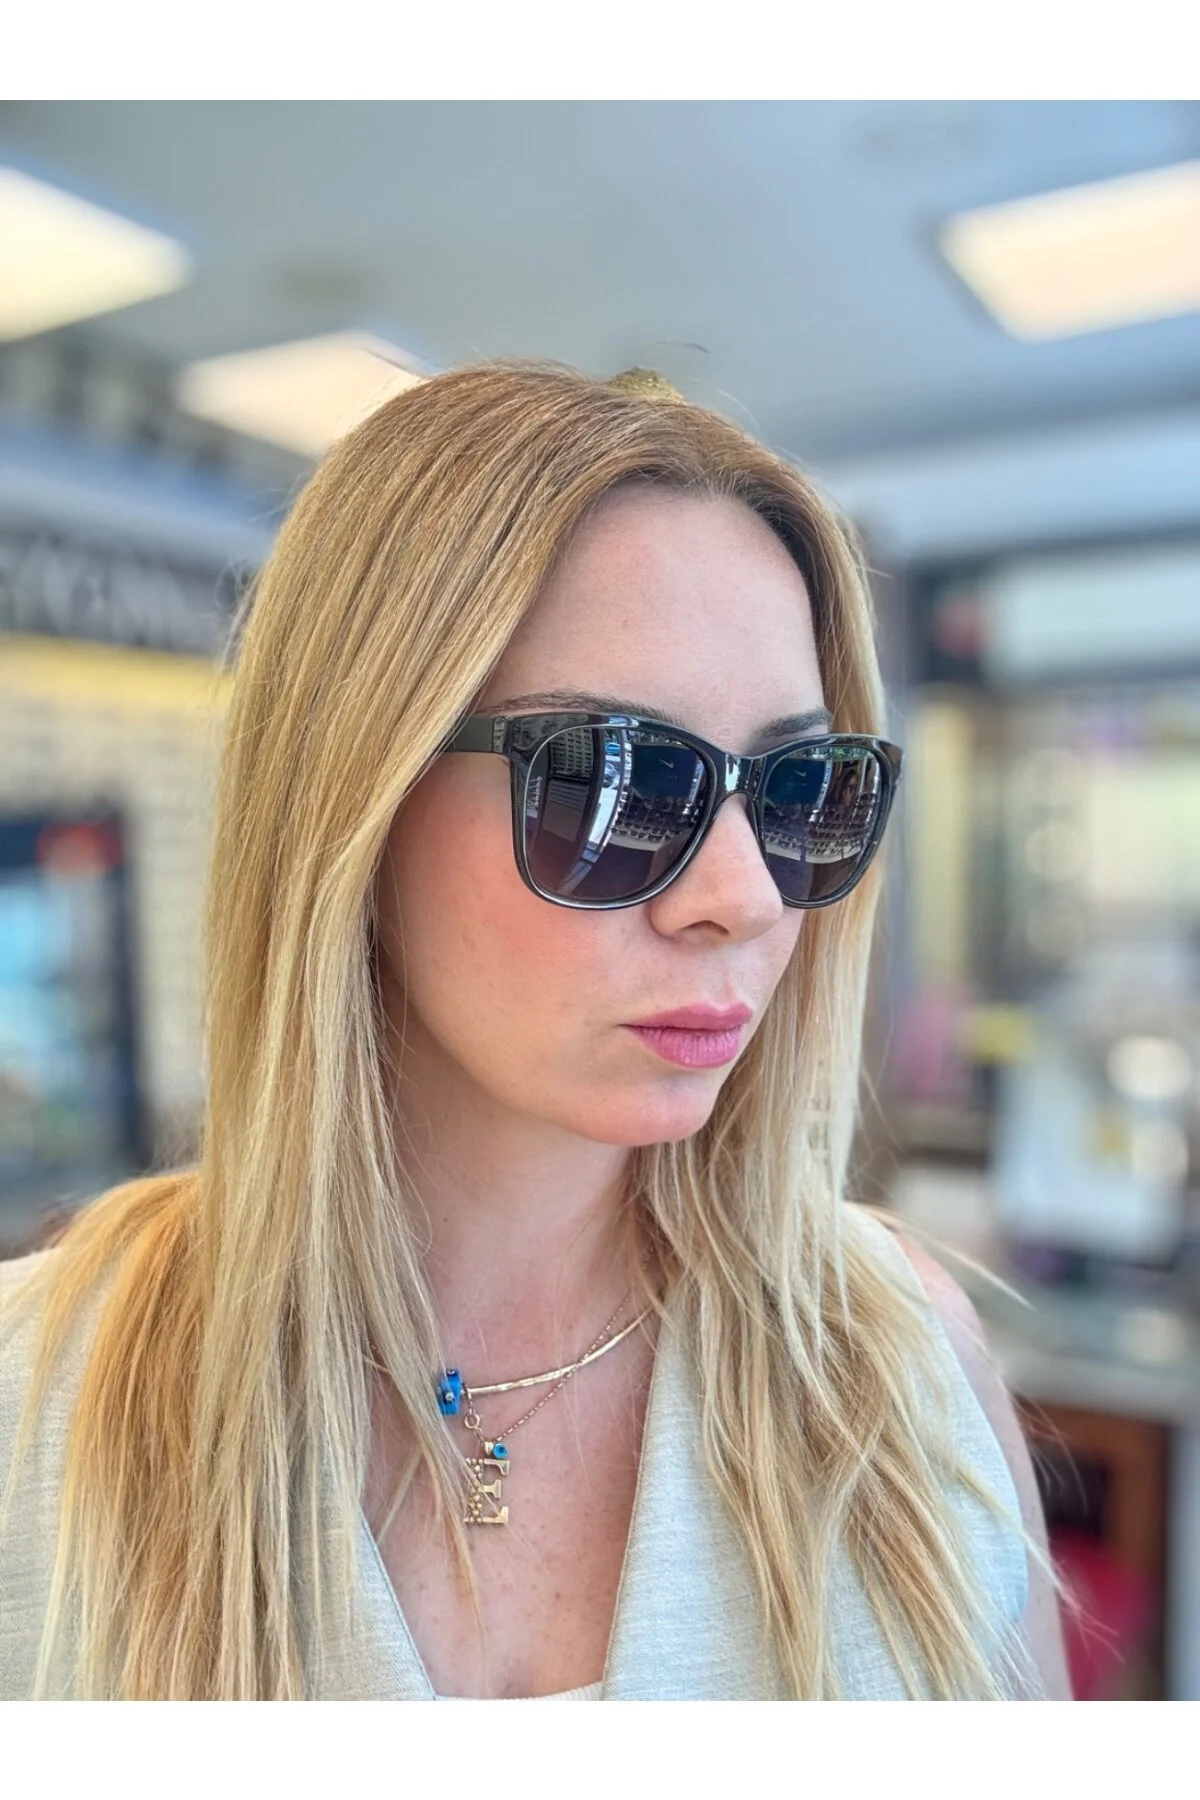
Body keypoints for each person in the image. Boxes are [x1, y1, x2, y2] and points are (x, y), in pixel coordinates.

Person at [0, 362, 1070, 1702]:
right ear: (357, 800)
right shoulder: (35, 1400)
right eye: (616, 781)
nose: (744, 897)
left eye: (801, 790)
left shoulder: (907, 1374)